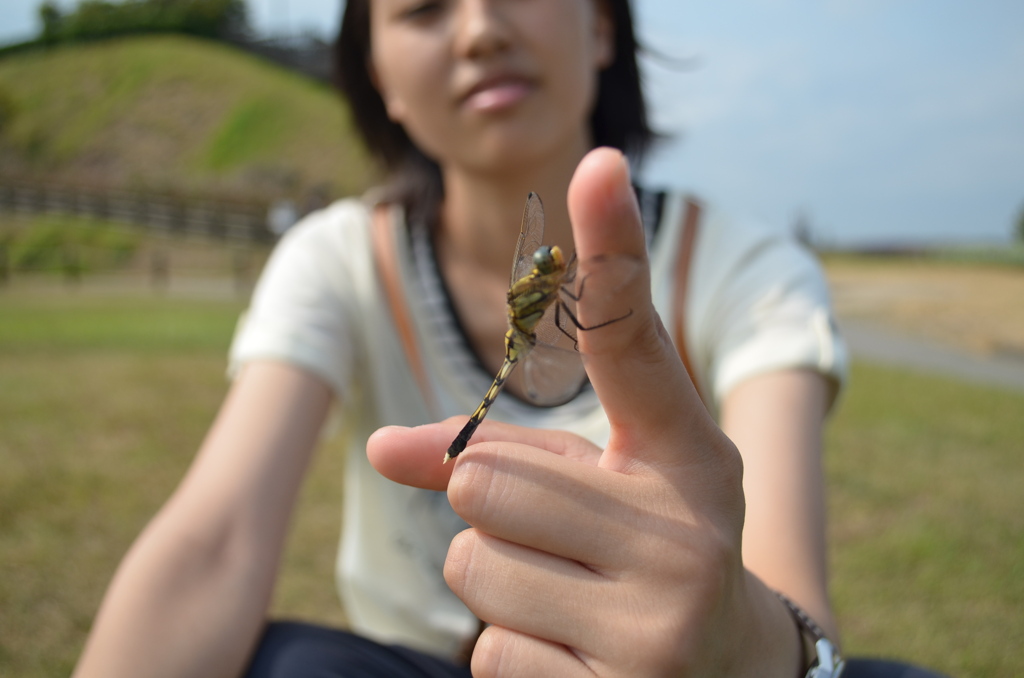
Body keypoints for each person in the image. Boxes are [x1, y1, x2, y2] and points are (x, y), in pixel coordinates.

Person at [72, 1, 943, 677]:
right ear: (378, 76)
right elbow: (212, 544)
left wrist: (741, 644)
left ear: (601, 25)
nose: (481, 29)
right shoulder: (332, 258)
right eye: (422, 9)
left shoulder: (748, 269)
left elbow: (788, 588)